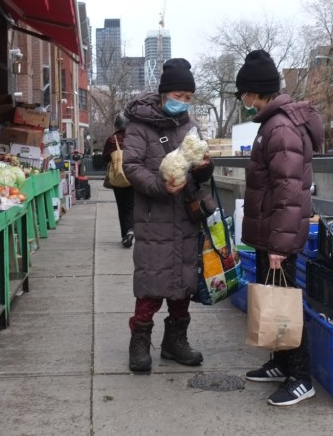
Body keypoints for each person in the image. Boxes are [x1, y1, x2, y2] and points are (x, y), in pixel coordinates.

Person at [235, 49, 324, 406]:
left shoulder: (281, 127)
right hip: (270, 231)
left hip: (278, 235)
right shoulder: (272, 123)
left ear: (255, 91)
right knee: (274, 296)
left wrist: (279, 246)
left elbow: (289, 192)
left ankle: (301, 377)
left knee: (285, 301)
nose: (243, 99)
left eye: (244, 92)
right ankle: (282, 362)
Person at [122, 58, 213, 373]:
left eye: (188, 98)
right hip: (154, 216)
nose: (183, 102)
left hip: (186, 216)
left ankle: (175, 341)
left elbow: (200, 170)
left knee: (183, 282)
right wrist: (160, 186)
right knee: (151, 280)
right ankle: (139, 341)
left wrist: (205, 166)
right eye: (178, 95)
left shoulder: (191, 126)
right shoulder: (139, 125)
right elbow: (130, 167)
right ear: (163, 94)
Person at [102, 113, 135, 248]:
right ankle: (132, 229)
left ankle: (125, 234)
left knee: (122, 206)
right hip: (133, 176)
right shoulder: (134, 138)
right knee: (132, 205)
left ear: (116, 124)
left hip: (118, 177)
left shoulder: (112, 139)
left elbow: (104, 158)